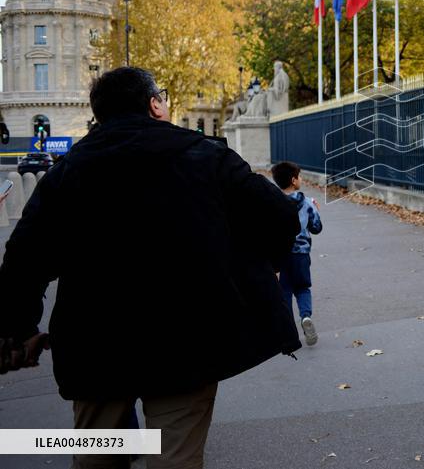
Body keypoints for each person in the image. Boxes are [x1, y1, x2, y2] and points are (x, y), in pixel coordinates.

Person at [0, 66, 301, 469]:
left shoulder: (66, 171)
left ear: (99, 116)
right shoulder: (207, 155)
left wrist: (20, 331)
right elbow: (279, 218)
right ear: (155, 104)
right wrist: (254, 267)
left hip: (95, 342)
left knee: (98, 457)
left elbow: (24, 260)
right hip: (187, 337)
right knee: (175, 456)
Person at [270, 161, 323, 346]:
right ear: (294, 180)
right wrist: (315, 210)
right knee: (302, 288)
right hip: (301, 255)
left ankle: (289, 333)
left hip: (281, 255)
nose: (301, 179)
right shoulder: (307, 203)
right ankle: (306, 317)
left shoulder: (273, 203)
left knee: (284, 292)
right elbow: (316, 228)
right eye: (299, 176)